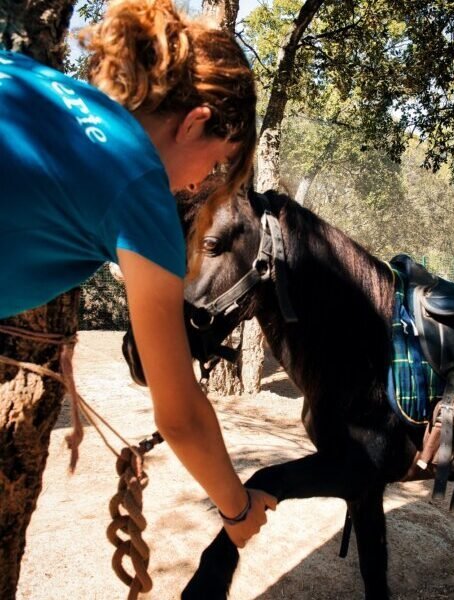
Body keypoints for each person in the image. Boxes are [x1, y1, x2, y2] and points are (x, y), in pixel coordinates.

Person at [0, 0, 276, 548]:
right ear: (195, 121)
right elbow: (180, 414)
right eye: (216, 163)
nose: (199, 185)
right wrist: (237, 508)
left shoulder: (46, 87)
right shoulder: (139, 187)